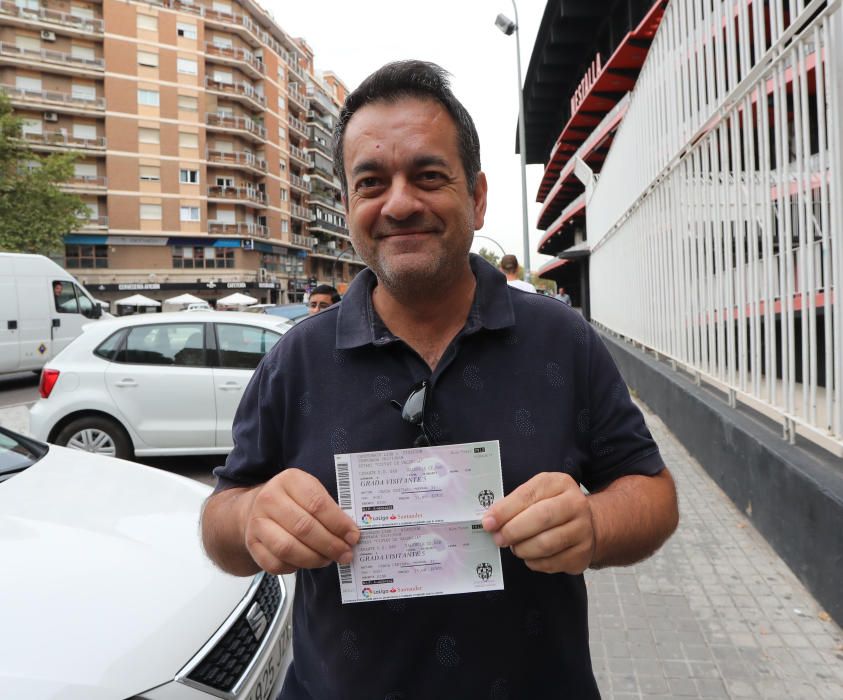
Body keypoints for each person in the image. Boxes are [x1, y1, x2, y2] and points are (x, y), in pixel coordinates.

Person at [201, 60, 678, 699]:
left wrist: (593, 524)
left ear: (477, 197)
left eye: (428, 175)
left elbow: (654, 495)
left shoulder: (561, 340)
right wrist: (252, 517)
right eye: (372, 182)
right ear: (349, 207)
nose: (399, 203)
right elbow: (220, 521)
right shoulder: (296, 359)